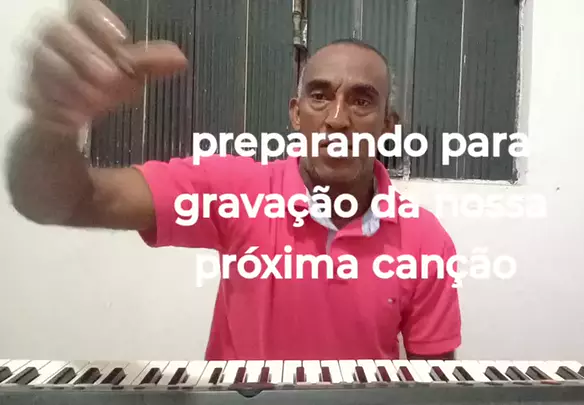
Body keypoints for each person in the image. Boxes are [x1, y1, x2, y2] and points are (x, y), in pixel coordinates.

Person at [5, 0, 461, 361]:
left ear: (388, 126)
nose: (337, 119)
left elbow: (436, 385)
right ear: (296, 115)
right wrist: (53, 123)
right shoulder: (236, 190)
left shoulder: (426, 240)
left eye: (361, 101)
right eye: (319, 96)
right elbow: (65, 201)